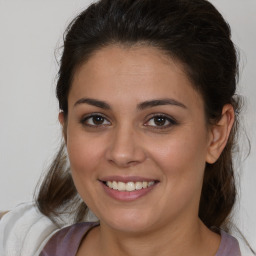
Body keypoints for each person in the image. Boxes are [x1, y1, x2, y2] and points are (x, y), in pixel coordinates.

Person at [0, 0, 254, 255]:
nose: (122, 153)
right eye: (97, 119)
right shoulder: (16, 243)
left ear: (216, 135)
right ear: (66, 131)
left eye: (159, 120)